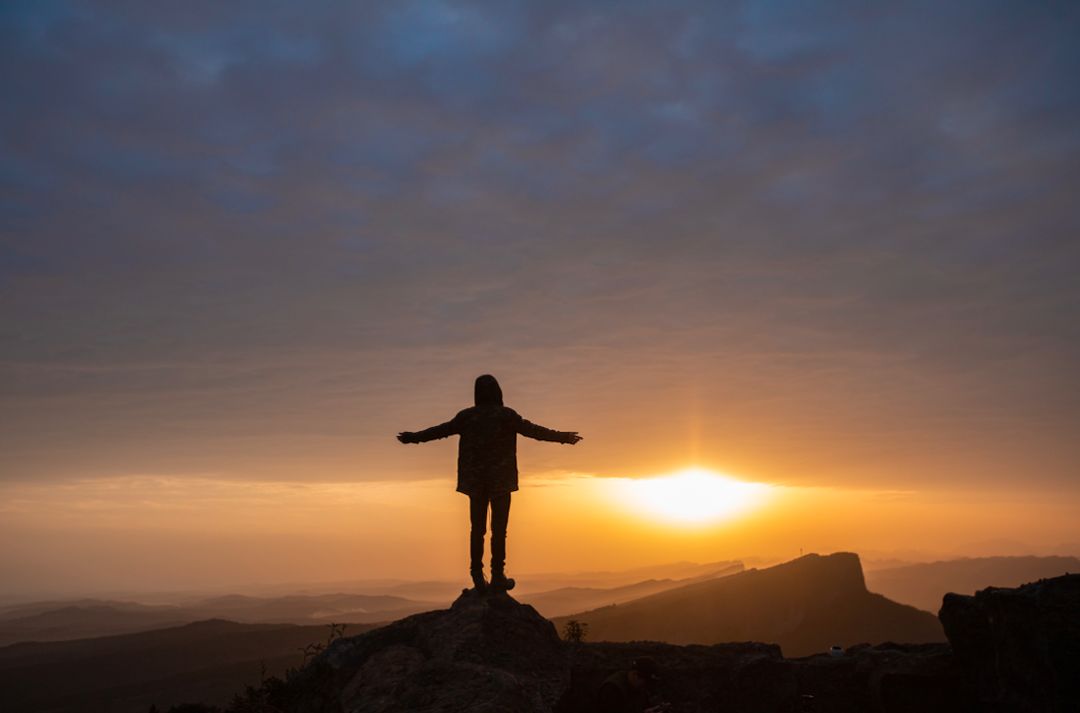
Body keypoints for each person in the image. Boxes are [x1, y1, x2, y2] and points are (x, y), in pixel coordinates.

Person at [397, 374, 581, 591]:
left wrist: (413, 438)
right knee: (499, 530)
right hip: (501, 480)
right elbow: (534, 431)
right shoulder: (506, 415)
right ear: (498, 392)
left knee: (477, 529)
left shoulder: (466, 417)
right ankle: (497, 576)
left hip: (474, 481)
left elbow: (440, 431)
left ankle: (477, 576)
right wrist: (563, 437)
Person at [597, 657, 668, 713]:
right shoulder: (612, 689)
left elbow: (642, 707)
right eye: (646, 682)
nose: (646, 686)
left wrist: (654, 709)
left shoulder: (638, 687)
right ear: (635, 675)